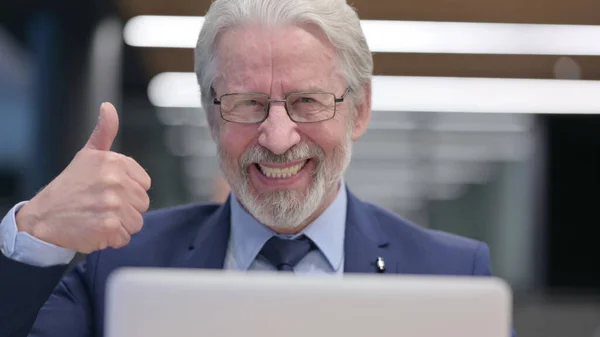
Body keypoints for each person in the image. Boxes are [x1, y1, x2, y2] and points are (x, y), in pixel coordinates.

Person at [0, 0, 515, 336]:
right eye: (246, 103)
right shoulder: (121, 266)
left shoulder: (451, 275)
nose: (277, 137)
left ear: (358, 110)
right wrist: (37, 232)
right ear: (209, 114)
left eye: (307, 101)